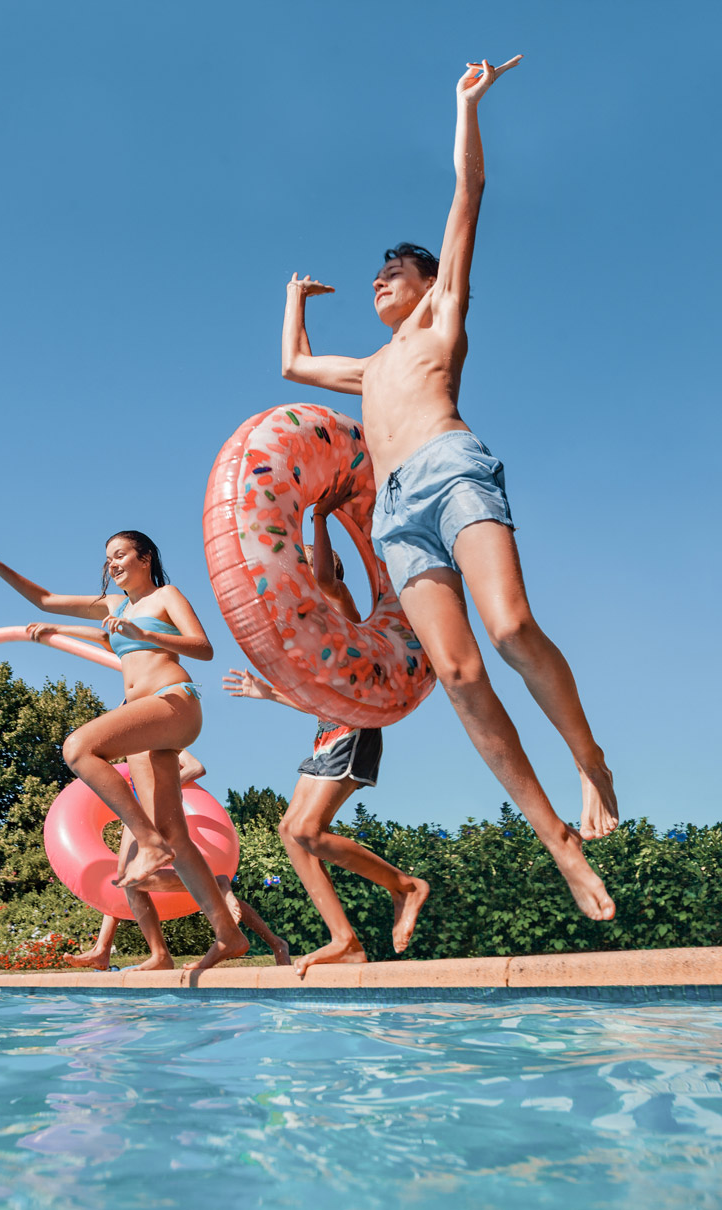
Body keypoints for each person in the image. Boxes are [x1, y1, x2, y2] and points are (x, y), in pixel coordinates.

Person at [277, 54, 617, 922]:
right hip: (396, 516)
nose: (384, 277)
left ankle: (588, 758)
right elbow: (289, 363)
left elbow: (469, 189)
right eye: (379, 273)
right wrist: (293, 296)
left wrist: (466, 104)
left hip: (450, 466)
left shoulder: (441, 316)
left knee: (509, 628)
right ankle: (555, 840)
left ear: (431, 285)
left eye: (399, 269)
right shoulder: (369, 367)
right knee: (461, 677)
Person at [0, 524, 248, 972]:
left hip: (172, 702)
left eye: (119, 554)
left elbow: (203, 648)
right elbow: (45, 599)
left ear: (144, 558)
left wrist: (143, 632)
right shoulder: (115, 607)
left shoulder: (166, 597)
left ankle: (148, 843)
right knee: (179, 839)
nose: (111, 563)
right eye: (107, 557)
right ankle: (228, 936)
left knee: (77, 748)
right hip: (145, 720)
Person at [224, 504, 428, 975]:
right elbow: (318, 705)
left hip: (355, 729)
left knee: (308, 830)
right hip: (326, 734)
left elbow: (326, 576)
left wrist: (320, 519)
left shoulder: (338, 606)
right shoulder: (313, 636)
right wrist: (268, 693)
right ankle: (345, 939)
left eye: (308, 565)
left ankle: (405, 886)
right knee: (290, 832)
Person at [65, 750, 292, 971]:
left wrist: (159, 788)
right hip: (135, 809)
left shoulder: (154, 734)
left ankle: (157, 951)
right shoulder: (131, 745)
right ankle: (104, 950)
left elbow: (196, 767)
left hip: (155, 806)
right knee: (126, 878)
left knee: (135, 879)